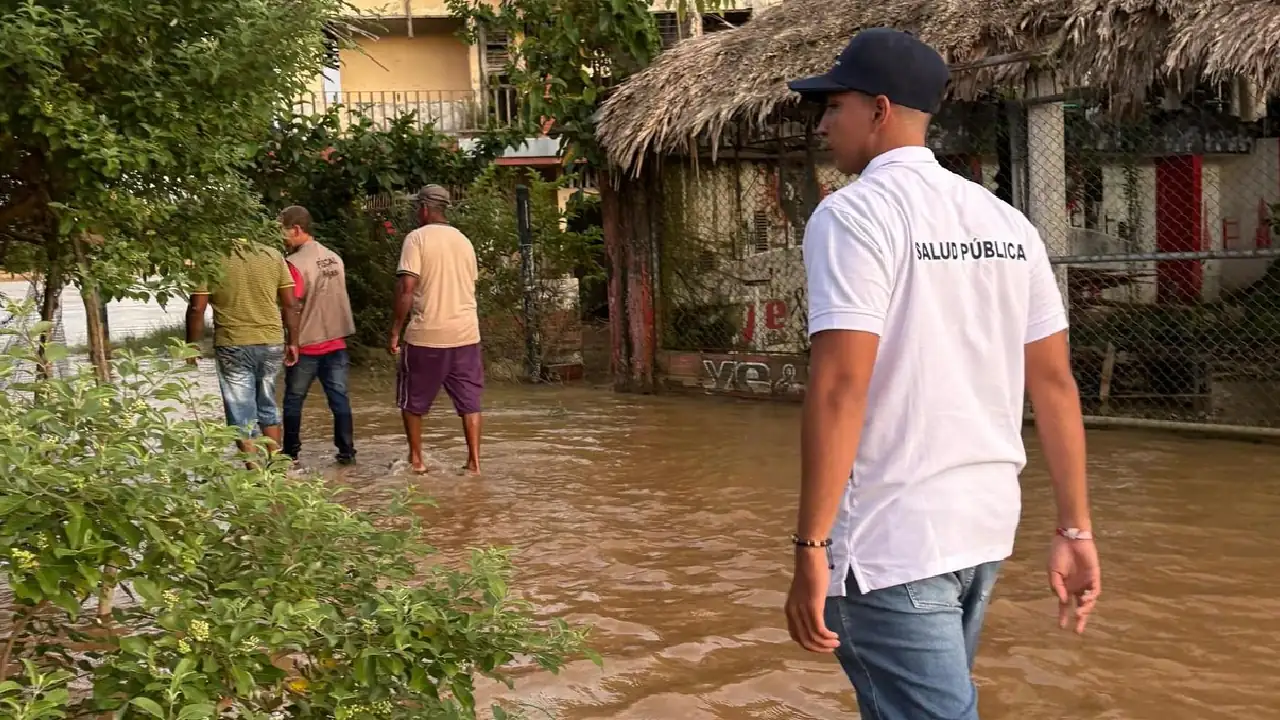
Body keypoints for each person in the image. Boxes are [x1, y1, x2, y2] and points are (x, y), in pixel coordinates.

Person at [781, 28, 1101, 720]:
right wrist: (1074, 528)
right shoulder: (1008, 224)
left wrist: (811, 545)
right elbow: (1053, 384)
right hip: (980, 530)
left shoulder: (853, 215)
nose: (824, 122)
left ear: (880, 109)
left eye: (834, 104)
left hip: (889, 545)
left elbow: (840, 387)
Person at [388, 184, 483, 475]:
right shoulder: (464, 241)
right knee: (470, 402)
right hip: (467, 334)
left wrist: (394, 332)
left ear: (425, 209)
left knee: (412, 402)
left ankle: (417, 461)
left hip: (427, 334)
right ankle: (474, 463)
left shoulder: (416, 239)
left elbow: (407, 289)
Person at [185, 240, 300, 455]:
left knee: (241, 414)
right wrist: (293, 341)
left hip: (233, 343)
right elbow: (290, 303)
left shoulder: (210, 257)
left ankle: (255, 477)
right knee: (267, 405)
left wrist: (191, 346)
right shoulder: (272, 254)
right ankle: (276, 470)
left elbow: (196, 308)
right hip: (271, 342)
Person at [280, 205, 358, 465]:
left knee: (293, 400)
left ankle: (290, 455)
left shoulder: (294, 264)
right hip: (337, 341)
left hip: (307, 345)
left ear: (297, 229)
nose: (282, 239)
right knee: (339, 399)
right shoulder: (334, 257)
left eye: (283, 232)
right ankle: (347, 453)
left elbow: (292, 305)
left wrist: (290, 342)